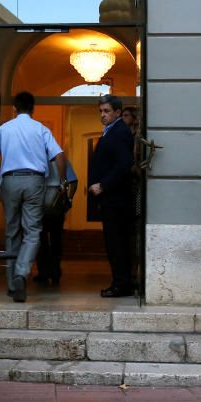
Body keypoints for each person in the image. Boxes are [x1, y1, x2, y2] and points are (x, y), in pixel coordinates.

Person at [0, 91, 66, 302]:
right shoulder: (41, 129)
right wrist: (61, 183)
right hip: (35, 181)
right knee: (33, 230)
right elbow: (59, 156)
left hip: (9, 181)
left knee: (12, 231)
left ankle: (11, 284)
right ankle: (21, 273)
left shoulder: (4, 129)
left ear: (15, 109)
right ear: (33, 109)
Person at [88, 94, 136, 298]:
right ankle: (121, 282)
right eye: (101, 111)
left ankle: (121, 284)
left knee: (117, 243)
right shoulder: (111, 131)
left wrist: (103, 185)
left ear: (117, 112)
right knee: (115, 243)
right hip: (112, 200)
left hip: (117, 200)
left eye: (106, 111)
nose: (103, 115)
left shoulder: (119, 132)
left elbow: (124, 163)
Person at [34, 156, 78, 286]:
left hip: (38, 205)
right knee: (56, 238)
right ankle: (55, 272)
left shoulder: (35, 158)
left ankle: (43, 272)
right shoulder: (62, 160)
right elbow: (74, 181)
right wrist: (69, 199)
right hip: (56, 205)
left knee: (40, 239)